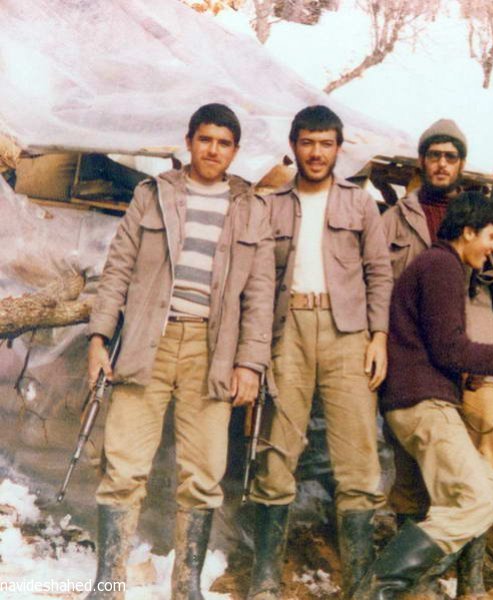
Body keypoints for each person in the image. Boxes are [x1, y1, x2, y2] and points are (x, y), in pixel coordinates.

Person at [86, 103, 275, 599]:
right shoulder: (153, 195)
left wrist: (250, 363)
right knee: (123, 466)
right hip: (148, 342)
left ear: (236, 151)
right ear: (189, 141)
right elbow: (117, 269)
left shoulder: (252, 208)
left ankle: (186, 585)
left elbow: (260, 295)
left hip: (213, 351)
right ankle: (109, 582)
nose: (213, 150)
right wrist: (99, 339)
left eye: (224, 143)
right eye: (205, 139)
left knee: (204, 473)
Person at [352, 192, 493, 600]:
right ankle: (378, 590)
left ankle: (394, 587)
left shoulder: (439, 265)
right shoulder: (442, 266)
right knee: (482, 496)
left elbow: (442, 346)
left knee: (471, 496)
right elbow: (450, 349)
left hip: (416, 402)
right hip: (425, 405)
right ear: (467, 231)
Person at [246, 105, 393, 599]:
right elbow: (257, 281)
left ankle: (360, 581)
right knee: (277, 447)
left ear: (338, 149)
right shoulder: (271, 205)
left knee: (358, 455)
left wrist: (378, 337)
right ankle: (266, 577)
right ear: (293, 146)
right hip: (287, 330)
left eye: (325, 144)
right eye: (307, 143)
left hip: (346, 331)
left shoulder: (360, 204)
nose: (316, 153)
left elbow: (379, 273)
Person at [381, 118, 493, 597]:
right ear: (469, 231)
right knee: (469, 493)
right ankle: (386, 586)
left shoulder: (454, 251)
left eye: (451, 156)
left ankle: (433, 581)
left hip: (448, 379)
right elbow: (446, 345)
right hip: (424, 383)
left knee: (482, 484)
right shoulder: (432, 254)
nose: (441, 164)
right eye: (433, 155)